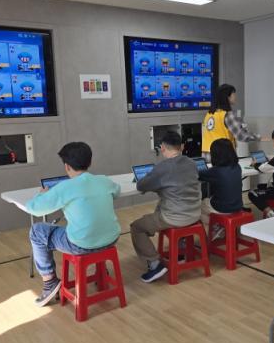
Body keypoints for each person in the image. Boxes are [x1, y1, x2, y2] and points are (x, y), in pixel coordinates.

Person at [26, 142, 121, 306]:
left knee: (37, 230)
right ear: (89, 162)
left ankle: (50, 283)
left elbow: (34, 209)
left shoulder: (65, 187)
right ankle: (101, 271)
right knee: (89, 226)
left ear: (67, 166)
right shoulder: (104, 180)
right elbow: (117, 192)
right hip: (111, 239)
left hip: (81, 245)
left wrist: (41, 195)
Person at [130, 131, 201, 283]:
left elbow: (141, 186)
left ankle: (154, 264)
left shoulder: (162, 168)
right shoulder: (191, 163)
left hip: (175, 217)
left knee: (136, 227)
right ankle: (180, 251)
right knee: (162, 203)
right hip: (195, 213)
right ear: (182, 146)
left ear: (162, 148)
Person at [201, 83, 266, 161]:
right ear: (227, 97)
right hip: (222, 155)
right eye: (233, 94)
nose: (235, 97)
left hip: (207, 154)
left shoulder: (209, 114)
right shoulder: (227, 115)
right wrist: (258, 137)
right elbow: (241, 135)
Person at [198, 138, 244, 239]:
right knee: (209, 201)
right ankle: (220, 226)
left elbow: (197, 174)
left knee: (199, 206)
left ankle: (215, 228)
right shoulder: (237, 167)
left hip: (223, 208)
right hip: (238, 206)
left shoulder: (216, 171)